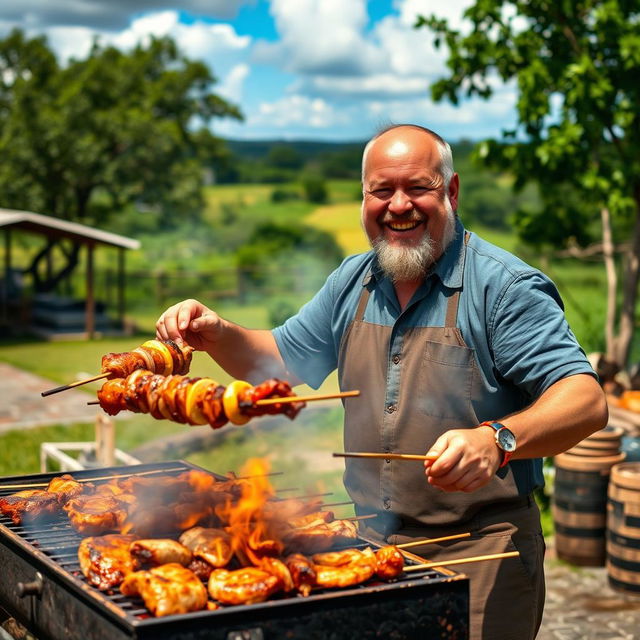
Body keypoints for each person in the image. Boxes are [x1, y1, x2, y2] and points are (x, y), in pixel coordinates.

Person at [156, 124, 608, 639]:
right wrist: (219, 333)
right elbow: (280, 360)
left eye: (418, 188)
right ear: (363, 198)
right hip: (371, 547)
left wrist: (497, 439)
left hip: (481, 554)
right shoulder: (353, 280)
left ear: (451, 192)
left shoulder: (504, 288)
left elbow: (585, 398)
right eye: (381, 191)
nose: (399, 206)